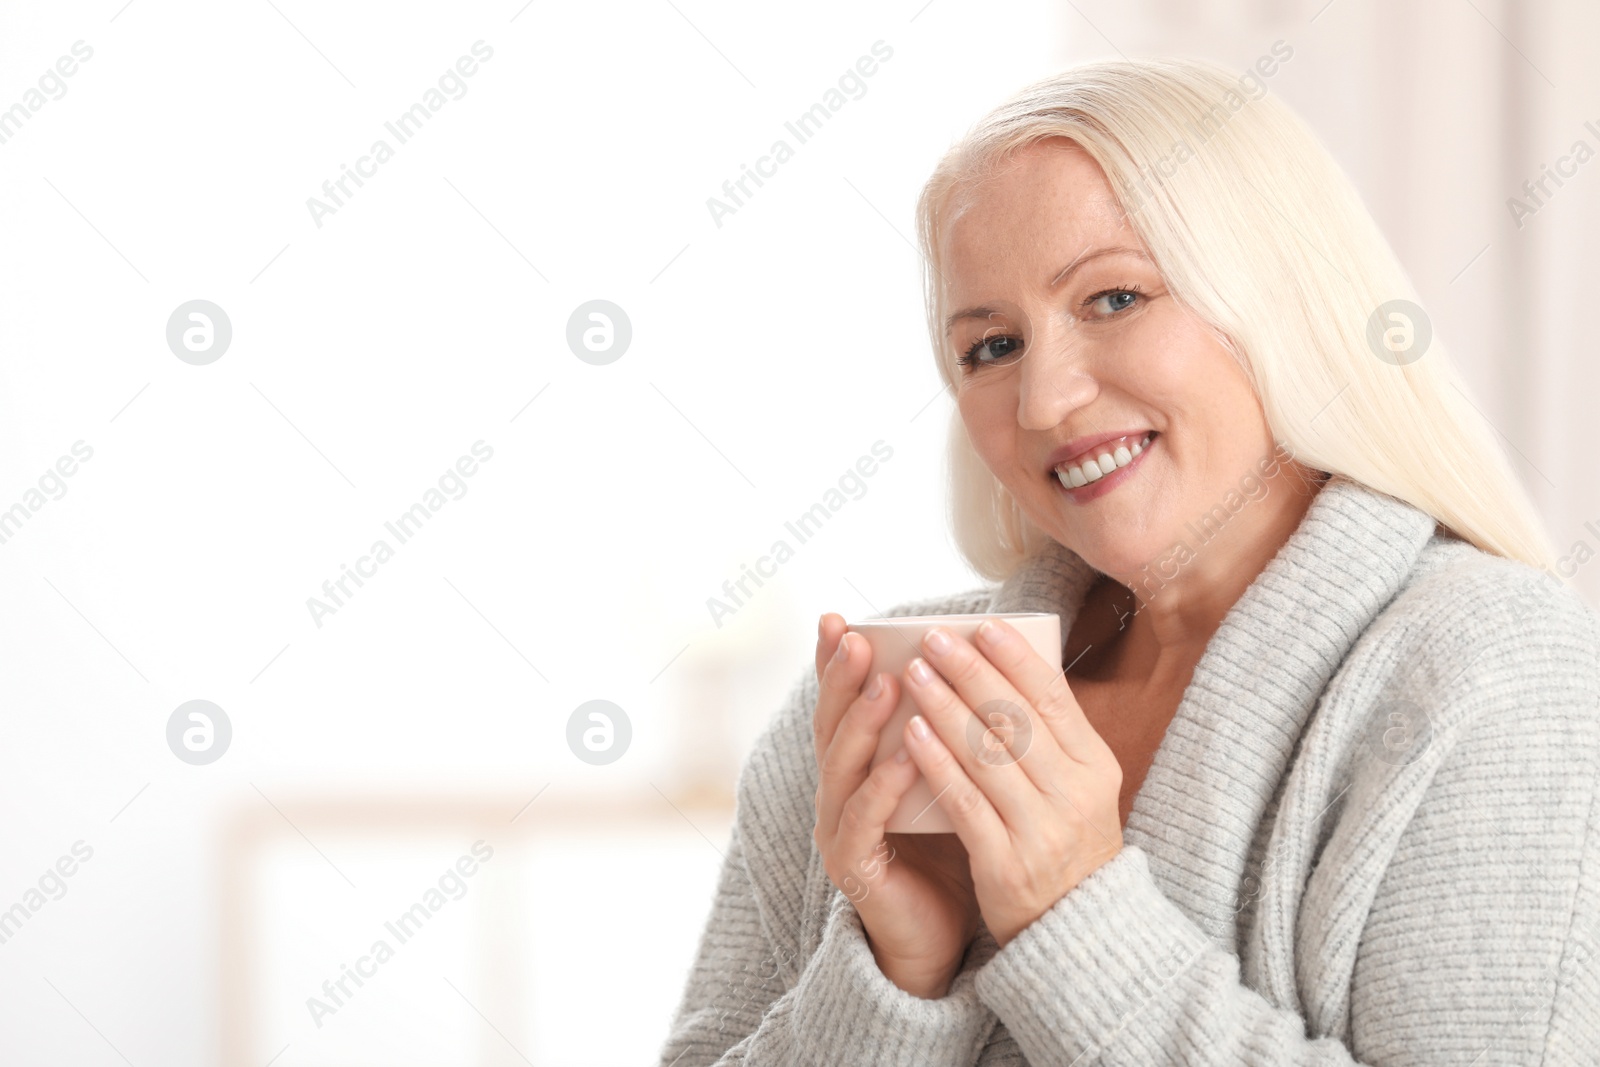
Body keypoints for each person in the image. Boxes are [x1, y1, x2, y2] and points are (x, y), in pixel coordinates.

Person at [658, 57, 1600, 1065]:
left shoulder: (1497, 672)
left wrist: (1071, 915)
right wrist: (894, 972)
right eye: (990, 346)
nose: (1045, 400)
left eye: (1112, 298)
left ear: (1276, 301)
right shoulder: (880, 711)